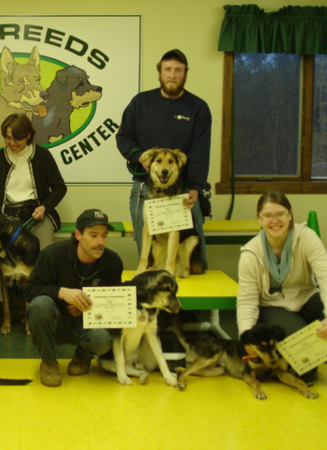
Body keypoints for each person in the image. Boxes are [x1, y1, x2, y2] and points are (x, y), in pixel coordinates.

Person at [0, 113, 67, 337]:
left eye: (17, 139)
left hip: (37, 215)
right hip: (8, 218)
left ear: (28, 136)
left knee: (45, 253)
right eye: (7, 138)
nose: (12, 143)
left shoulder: (42, 156)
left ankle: (44, 306)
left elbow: (59, 188)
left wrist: (44, 206)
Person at [116, 49, 211, 269]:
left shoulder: (198, 108)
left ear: (185, 73)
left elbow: (200, 150)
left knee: (194, 259)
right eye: (167, 69)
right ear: (159, 72)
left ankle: (197, 301)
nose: (172, 75)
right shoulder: (140, 103)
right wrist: (141, 157)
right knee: (148, 254)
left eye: (178, 70)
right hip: (145, 187)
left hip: (184, 190)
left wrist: (196, 187)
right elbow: (123, 137)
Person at [24, 209, 123, 387]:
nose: (100, 242)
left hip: (86, 324)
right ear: (78, 235)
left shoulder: (113, 262)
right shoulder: (53, 255)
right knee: (40, 305)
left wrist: (90, 310)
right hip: (54, 321)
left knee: (103, 339)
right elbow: (30, 290)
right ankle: (48, 362)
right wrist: (62, 293)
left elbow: (114, 305)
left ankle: (82, 358)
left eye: (104, 235)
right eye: (93, 235)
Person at [237, 191, 327, 385]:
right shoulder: (250, 253)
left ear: (290, 215)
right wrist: (246, 337)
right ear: (259, 218)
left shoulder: (307, 238)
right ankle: (306, 362)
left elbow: (325, 276)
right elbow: (246, 301)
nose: (274, 221)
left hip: (306, 299)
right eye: (268, 216)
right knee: (306, 368)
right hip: (273, 308)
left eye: (280, 214)